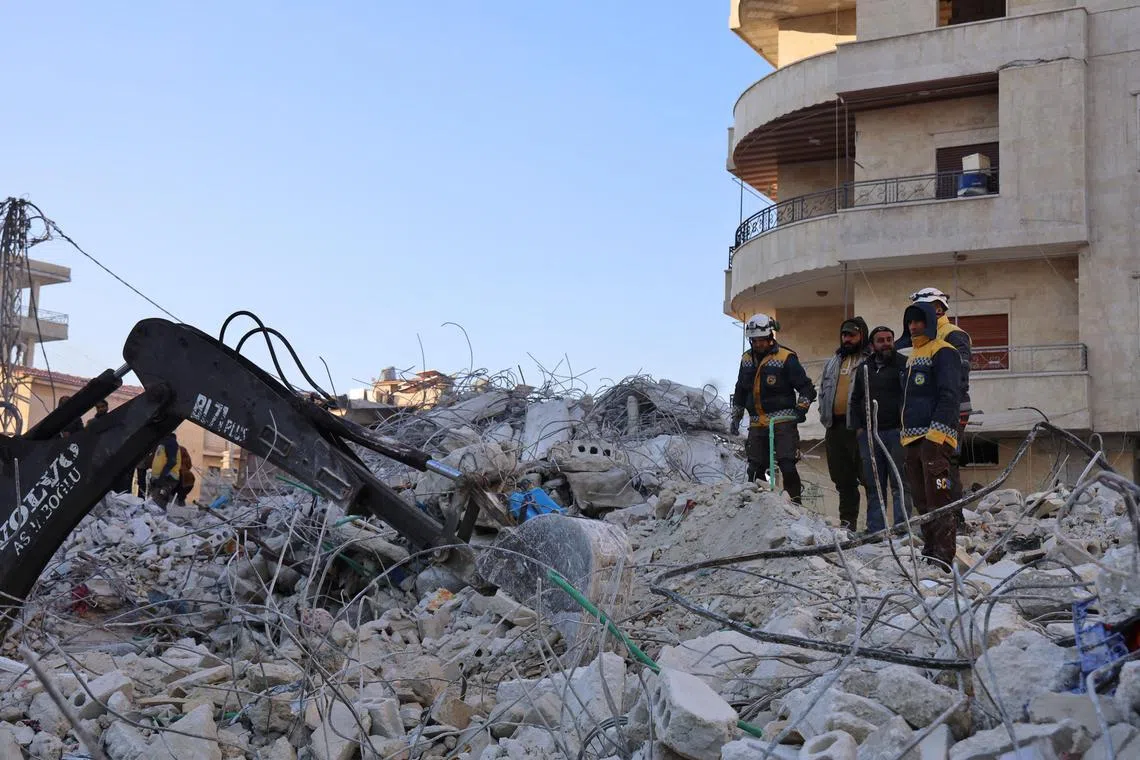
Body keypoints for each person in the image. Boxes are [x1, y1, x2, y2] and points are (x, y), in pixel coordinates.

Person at [900, 301, 962, 567]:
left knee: (940, 496)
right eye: (910, 322)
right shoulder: (912, 355)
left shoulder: (944, 351)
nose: (913, 327)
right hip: (911, 440)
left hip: (935, 440)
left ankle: (945, 557)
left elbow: (950, 396)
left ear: (929, 321)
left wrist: (934, 438)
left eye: (918, 321)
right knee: (921, 500)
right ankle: (930, 551)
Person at [731, 313, 817, 504]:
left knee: (787, 464)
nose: (758, 345)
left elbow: (807, 388)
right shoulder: (746, 359)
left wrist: (800, 410)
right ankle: (754, 507)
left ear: (770, 337)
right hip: (756, 422)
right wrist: (736, 415)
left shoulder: (786, 357)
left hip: (782, 421)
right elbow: (740, 388)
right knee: (754, 468)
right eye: (754, 341)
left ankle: (794, 505)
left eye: (761, 340)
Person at [896, 287, 972, 502]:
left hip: (950, 408)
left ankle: (954, 518)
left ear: (938, 309)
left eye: (923, 310)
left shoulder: (953, 334)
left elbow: (959, 378)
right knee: (924, 475)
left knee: (945, 464)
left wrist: (945, 414)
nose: (915, 321)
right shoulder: (920, 340)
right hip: (924, 417)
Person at [850, 326, 911, 533]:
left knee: (900, 482)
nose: (886, 343)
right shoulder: (864, 368)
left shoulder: (904, 364)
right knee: (874, 484)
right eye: (881, 340)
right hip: (870, 435)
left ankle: (902, 527)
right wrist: (859, 429)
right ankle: (876, 529)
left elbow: (912, 396)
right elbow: (855, 399)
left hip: (897, 432)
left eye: (889, 339)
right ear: (872, 344)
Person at [817, 317, 870, 530]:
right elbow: (823, 391)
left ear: (862, 336)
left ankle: (877, 526)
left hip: (859, 428)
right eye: (844, 335)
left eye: (852, 335)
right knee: (843, 480)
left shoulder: (869, 359)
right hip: (834, 428)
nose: (847, 339)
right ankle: (848, 526)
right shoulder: (833, 361)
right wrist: (823, 414)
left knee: (869, 479)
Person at [149, 433, 182, 507]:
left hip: (166, 479)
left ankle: (158, 518)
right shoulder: (163, 444)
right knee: (154, 505)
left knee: (157, 505)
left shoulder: (171, 442)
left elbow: (172, 462)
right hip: (161, 479)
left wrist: (161, 478)